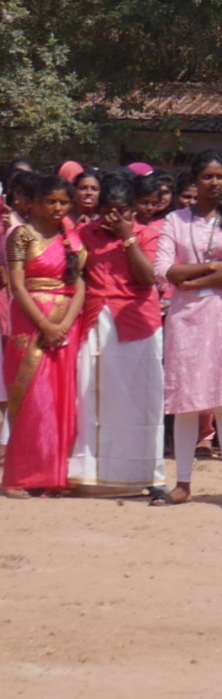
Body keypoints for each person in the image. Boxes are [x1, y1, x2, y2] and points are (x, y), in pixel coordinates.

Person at [152, 151, 222, 509]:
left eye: (221, 176)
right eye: (207, 176)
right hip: (186, 318)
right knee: (184, 403)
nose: (214, 183)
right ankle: (182, 483)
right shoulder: (176, 220)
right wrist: (211, 267)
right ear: (194, 181)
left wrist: (192, 278)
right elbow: (163, 270)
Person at [70, 177, 164, 496]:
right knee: (93, 396)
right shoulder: (86, 234)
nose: (113, 218)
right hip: (95, 318)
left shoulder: (147, 234)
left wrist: (127, 237)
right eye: (107, 211)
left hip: (137, 323)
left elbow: (147, 276)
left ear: (132, 210)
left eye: (121, 211)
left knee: (137, 400)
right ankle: (92, 475)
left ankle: (138, 474)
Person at [3, 174, 86, 497]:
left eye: (63, 202)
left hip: (66, 324)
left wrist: (63, 325)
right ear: (34, 203)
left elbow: (79, 285)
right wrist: (45, 325)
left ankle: (53, 476)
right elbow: (17, 285)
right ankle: (19, 477)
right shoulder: (21, 236)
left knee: (61, 399)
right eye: (50, 201)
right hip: (30, 323)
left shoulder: (74, 240)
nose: (57, 207)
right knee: (32, 400)